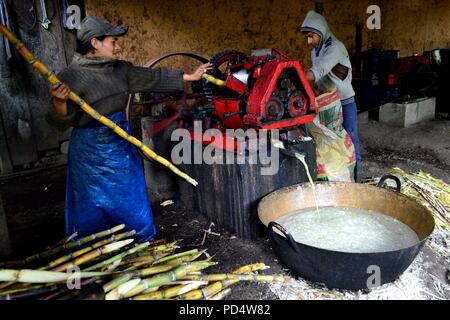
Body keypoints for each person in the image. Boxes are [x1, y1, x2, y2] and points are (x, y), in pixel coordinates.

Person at [47, 16, 211, 241]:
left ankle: (137, 237)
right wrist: (59, 102)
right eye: (113, 41)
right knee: (89, 199)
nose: (118, 46)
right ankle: (91, 242)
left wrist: (189, 77)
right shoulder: (70, 77)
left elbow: (151, 77)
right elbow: (59, 122)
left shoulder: (120, 70)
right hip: (89, 150)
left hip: (119, 141)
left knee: (128, 192)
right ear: (95, 43)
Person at [300, 10, 362, 182]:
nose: (309, 41)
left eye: (311, 36)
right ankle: (337, 177)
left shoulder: (336, 47)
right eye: (307, 37)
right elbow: (317, 79)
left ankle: (357, 180)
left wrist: (293, 74)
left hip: (344, 101)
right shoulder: (316, 51)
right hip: (327, 104)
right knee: (331, 141)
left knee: (350, 139)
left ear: (321, 31)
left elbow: (317, 71)